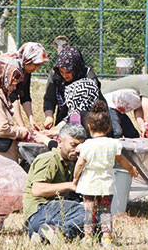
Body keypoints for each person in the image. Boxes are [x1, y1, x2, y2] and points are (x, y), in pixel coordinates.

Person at [73, 101, 139, 246]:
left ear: (89, 127)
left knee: (89, 210)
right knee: (105, 211)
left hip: (89, 182)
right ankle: (107, 237)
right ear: (109, 127)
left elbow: (80, 164)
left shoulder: (87, 145)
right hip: (106, 183)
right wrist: (131, 169)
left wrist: (75, 178)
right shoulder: (113, 144)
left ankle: (88, 236)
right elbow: (121, 160)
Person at [23, 122, 87, 243]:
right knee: (88, 213)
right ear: (59, 141)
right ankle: (60, 232)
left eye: (80, 145)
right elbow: (37, 190)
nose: (77, 149)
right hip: (39, 212)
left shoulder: (72, 162)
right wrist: (71, 185)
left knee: (96, 218)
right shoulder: (48, 159)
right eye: (73, 145)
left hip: (52, 215)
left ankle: (47, 235)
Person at [0, 59, 39, 161]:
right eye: (12, 84)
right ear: (2, 80)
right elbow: (1, 129)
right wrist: (20, 132)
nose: (14, 88)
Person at [43, 46, 102, 129]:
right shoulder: (56, 75)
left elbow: (83, 108)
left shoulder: (88, 77)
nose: (64, 75)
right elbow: (49, 98)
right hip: (63, 115)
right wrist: (49, 117)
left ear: (76, 68)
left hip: (86, 119)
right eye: (61, 71)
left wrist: (59, 128)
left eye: (68, 72)